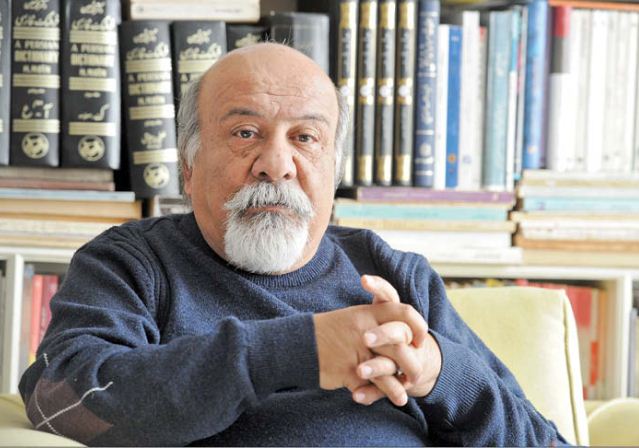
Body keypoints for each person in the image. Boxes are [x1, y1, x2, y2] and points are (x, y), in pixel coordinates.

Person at [19, 43, 566, 446]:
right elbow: (61, 402)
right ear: (189, 165)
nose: (276, 164)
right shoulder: (132, 263)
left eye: (306, 138)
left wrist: (442, 374)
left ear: (333, 171)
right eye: (245, 133)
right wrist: (299, 350)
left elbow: (544, 442)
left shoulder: (395, 274)